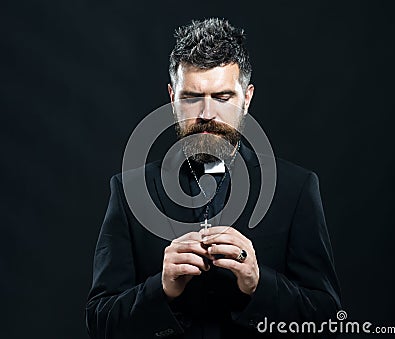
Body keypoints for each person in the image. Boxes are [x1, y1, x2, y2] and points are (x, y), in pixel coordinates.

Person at [86, 18, 341, 338]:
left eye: (222, 97)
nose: (207, 113)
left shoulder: (296, 188)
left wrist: (258, 283)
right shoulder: (129, 190)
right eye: (192, 97)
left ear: (246, 99)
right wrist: (161, 288)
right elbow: (101, 323)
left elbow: (328, 320)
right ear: (172, 97)